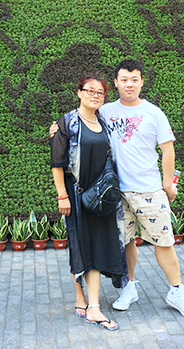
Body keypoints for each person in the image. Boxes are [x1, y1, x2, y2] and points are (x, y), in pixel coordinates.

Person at [51, 59, 184, 320]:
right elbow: (80, 121)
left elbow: (168, 150)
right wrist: (57, 129)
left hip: (148, 190)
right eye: (124, 79)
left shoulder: (154, 113)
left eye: (134, 80)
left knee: (163, 242)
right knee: (126, 242)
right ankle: (129, 287)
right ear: (117, 82)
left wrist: (168, 184)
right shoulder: (105, 110)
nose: (129, 84)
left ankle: (177, 291)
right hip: (115, 193)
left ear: (142, 82)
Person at [50, 74, 128, 331]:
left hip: (101, 198)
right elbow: (57, 163)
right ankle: (81, 297)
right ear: (79, 92)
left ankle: (92, 306)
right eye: (90, 90)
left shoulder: (104, 122)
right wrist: (62, 195)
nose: (95, 95)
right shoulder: (67, 123)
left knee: (96, 248)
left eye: (100, 92)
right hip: (76, 196)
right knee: (79, 246)